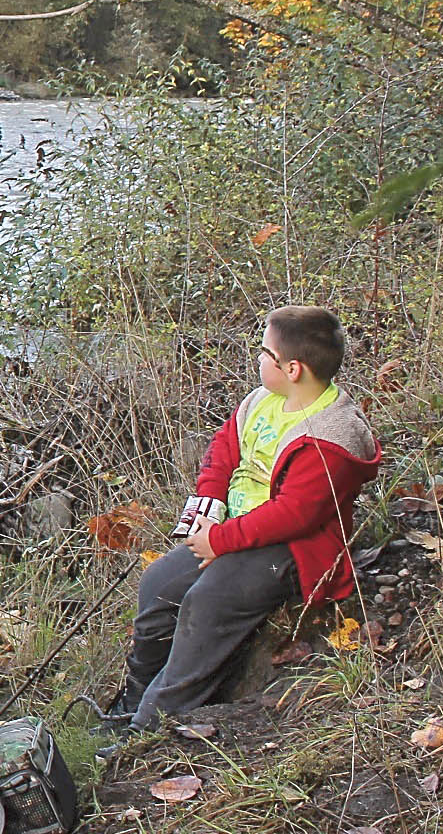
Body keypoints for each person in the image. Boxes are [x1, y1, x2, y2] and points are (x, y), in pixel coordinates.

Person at [120, 305, 381, 729]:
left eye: (265, 352)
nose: (258, 359)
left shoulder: (330, 437)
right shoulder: (262, 401)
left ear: (292, 368)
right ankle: (131, 702)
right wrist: (208, 512)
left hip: (290, 549)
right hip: (232, 529)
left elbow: (294, 516)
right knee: (158, 585)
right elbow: (224, 451)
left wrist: (219, 543)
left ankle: (150, 723)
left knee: (206, 604)